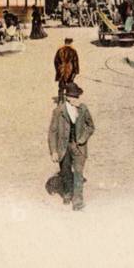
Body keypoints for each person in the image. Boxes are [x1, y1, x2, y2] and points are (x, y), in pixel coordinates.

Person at [47, 82, 95, 211]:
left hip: (79, 147)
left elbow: (91, 126)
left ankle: (78, 201)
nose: (76, 100)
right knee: (66, 172)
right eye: (73, 97)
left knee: (78, 173)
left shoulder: (83, 109)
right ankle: (67, 193)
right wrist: (54, 151)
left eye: (77, 97)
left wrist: (82, 138)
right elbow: (52, 132)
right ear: (67, 97)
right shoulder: (58, 111)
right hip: (64, 147)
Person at [54, 38, 80, 102]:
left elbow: (56, 61)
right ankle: (67, 99)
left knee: (61, 85)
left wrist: (58, 69)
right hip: (70, 70)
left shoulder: (60, 50)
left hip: (61, 70)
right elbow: (75, 62)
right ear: (71, 43)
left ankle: (60, 99)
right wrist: (76, 71)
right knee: (69, 84)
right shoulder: (73, 51)